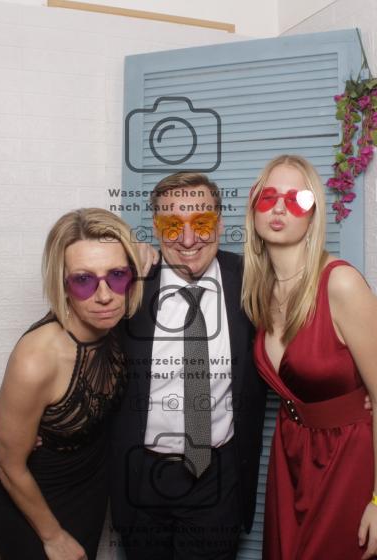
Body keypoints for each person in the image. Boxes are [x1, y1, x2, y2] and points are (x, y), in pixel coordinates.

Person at [242, 154, 377, 559]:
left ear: (314, 214)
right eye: (269, 197)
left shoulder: (341, 284)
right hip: (291, 457)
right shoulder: (259, 292)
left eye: (297, 199)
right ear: (254, 207)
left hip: (349, 461)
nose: (280, 208)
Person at [109, 172, 269, 559]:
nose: (187, 239)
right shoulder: (128, 283)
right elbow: (78, 335)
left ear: (220, 223)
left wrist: (347, 393)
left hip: (218, 476)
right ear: (155, 227)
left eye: (201, 222)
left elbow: (301, 333)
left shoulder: (252, 280)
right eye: (171, 225)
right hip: (142, 477)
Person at [0, 208, 144, 560]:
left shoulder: (112, 322)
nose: (104, 295)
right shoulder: (36, 359)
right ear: (63, 284)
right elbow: (8, 465)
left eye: (117, 275)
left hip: (89, 490)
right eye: (84, 280)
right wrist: (53, 536)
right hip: (33, 502)